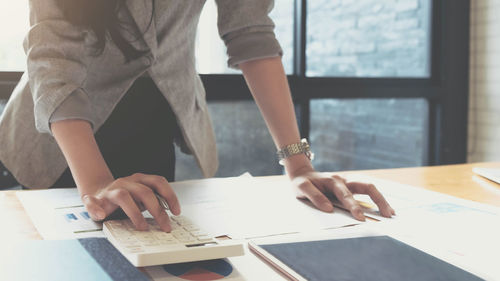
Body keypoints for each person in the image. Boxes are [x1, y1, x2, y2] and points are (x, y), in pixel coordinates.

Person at [0, 0, 394, 232]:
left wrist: (298, 164)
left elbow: (250, 31)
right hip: (57, 136)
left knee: (147, 245)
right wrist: (97, 183)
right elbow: (53, 59)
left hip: (154, 124)